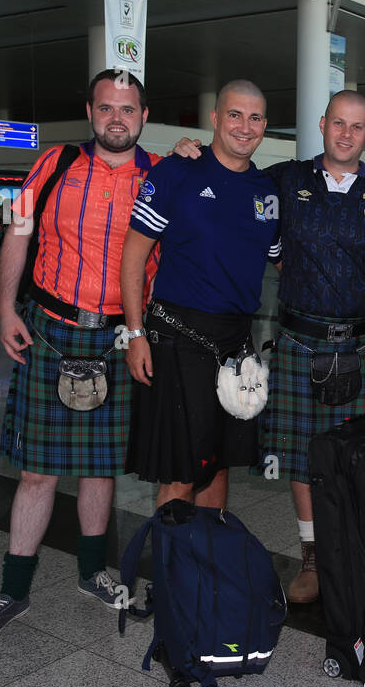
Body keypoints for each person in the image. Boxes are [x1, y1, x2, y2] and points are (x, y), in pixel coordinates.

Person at [0, 69, 158, 642]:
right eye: (105, 108)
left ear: (143, 117)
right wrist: (5, 309)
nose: (115, 119)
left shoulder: (162, 176)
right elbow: (19, 231)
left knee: (101, 465)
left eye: (127, 109)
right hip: (50, 328)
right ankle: (13, 590)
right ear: (91, 113)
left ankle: (93, 573)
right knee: (37, 470)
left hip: (120, 336)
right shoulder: (54, 164)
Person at [264, 91, 365, 603]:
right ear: (323, 124)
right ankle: (313, 558)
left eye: (358, 127)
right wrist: (188, 153)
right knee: (301, 457)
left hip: (364, 343)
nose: (346, 134)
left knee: (358, 456)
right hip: (300, 340)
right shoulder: (284, 179)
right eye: (338, 123)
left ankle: (355, 552)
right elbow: (231, 189)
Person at [120, 80, 280, 510]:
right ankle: (171, 575)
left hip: (236, 343)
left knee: (220, 462)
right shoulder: (176, 171)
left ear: (265, 125)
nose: (245, 127)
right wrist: (135, 334)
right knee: (182, 469)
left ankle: (209, 565)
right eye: (234, 114)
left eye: (255, 117)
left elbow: (284, 262)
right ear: (215, 118)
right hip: (178, 337)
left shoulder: (267, 191)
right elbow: (133, 257)